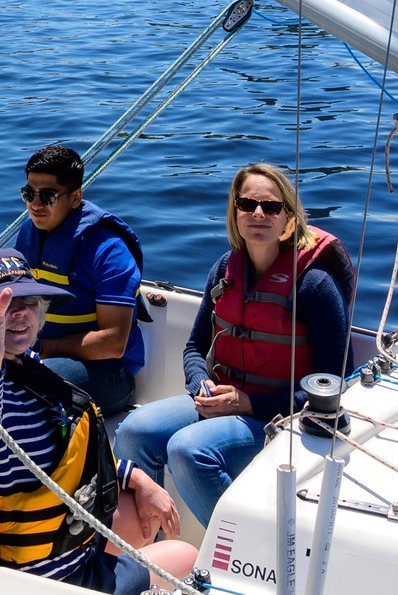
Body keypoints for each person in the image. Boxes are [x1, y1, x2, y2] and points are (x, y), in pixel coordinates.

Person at [0, 251, 195, 593]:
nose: (17, 311)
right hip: (39, 580)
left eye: (28, 300)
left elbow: (55, 453)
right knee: (185, 556)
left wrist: (132, 476)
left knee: (134, 508)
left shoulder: (27, 368)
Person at [116, 164, 354, 526]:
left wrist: (250, 403)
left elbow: (338, 383)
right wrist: (201, 385)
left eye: (271, 207)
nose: (258, 214)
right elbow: (194, 347)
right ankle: (153, 550)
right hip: (220, 401)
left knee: (188, 450)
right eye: (247, 204)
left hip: (281, 417)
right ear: (235, 213)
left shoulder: (314, 285)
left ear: (289, 217)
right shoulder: (225, 270)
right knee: (134, 431)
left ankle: (243, 554)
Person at [11, 145, 148, 418]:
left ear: (75, 198)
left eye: (47, 196)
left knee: (33, 386)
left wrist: (45, 349)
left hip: (111, 372)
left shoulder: (108, 250)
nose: (35, 205)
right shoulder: (28, 233)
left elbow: (113, 342)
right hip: (41, 354)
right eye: (29, 194)